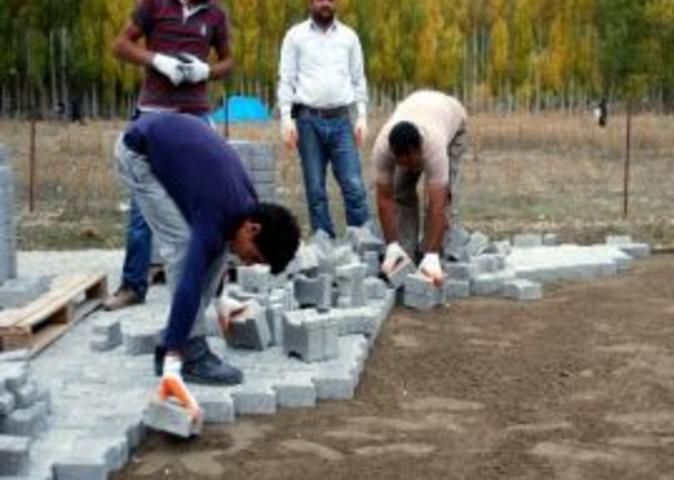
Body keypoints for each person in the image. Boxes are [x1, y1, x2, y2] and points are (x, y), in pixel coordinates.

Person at [114, 112, 300, 394]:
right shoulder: (215, 214)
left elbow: (219, 252)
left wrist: (219, 299)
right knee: (182, 245)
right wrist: (173, 361)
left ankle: (177, 337)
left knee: (219, 247)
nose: (247, 262)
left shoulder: (245, 208)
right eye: (254, 257)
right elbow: (190, 278)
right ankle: (188, 353)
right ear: (253, 229)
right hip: (137, 152)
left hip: (170, 142)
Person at [106, 0, 234, 311]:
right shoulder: (155, 5)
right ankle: (133, 285)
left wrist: (206, 71)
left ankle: (209, 284)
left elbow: (229, 62)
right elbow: (120, 45)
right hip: (153, 113)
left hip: (196, 116)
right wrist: (157, 60)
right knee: (143, 206)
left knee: (205, 199)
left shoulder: (215, 14)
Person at [277, 0, 370, 240]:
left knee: (353, 184)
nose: (325, 3)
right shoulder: (295, 36)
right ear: (311, 3)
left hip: (342, 120)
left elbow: (358, 78)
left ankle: (361, 238)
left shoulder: (349, 37)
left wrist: (362, 116)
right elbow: (286, 78)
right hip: (307, 121)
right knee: (315, 187)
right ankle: (323, 239)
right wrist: (286, 119)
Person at [372, 91, 468, 285]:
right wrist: (391, 246)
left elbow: (438, 206)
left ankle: (435, 257)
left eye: (413, 161)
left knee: (438, 199)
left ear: (420, 149)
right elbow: (385, 199)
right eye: (403, 163)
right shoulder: (382, 150)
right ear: (393, 154)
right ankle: (405, 256)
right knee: (401, 191)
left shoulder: (434, 147)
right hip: (419, 109)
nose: (409, 167)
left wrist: (431, 254)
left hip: (452, 120)